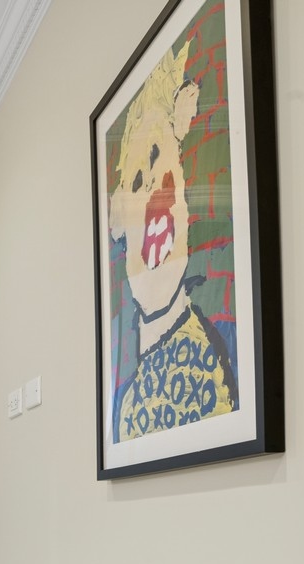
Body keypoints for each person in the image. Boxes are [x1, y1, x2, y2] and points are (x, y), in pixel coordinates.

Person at [106, 36, 236, 441]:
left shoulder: (227, 349)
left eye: (163, 160)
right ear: (118, 224)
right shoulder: (124, 409)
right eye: (141, 181)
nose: (159, 191)